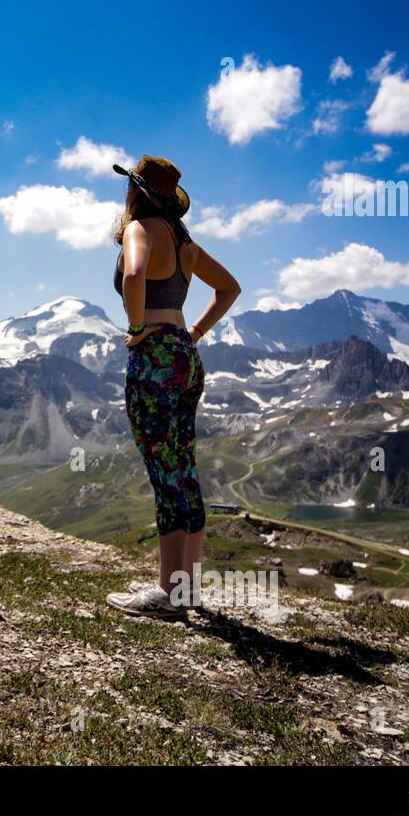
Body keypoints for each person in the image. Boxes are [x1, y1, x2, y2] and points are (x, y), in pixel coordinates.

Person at [104, 156, 240, 619]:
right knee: (183, 467)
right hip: (185, 354)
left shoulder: (139, 229)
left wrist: (137, 326)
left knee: (165, 472)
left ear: (136, 191)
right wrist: (195, 332)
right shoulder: (185, 243)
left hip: (155, 358)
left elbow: (135, 275)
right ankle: (188, 588)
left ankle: (167, 592)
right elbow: (230, 288)